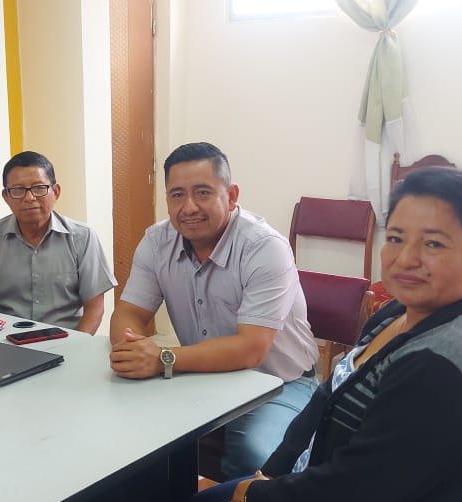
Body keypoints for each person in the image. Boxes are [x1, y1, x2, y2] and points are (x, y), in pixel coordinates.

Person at [188, 168, 462, 502]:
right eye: (396, 238)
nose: (406, 258)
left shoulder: (444, 364)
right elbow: (325, 399)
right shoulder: (404, 311)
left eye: (433, 244)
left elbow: (356, 495)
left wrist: (260, 501)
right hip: (319, 482)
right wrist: (270, 474)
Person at [109, 142, 319, 479]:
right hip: (199, 376)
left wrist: (163, 358)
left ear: (231, 196)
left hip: (276, 383)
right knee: (130, 434)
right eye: (177, 195)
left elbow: (251, 348)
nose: (189, 207)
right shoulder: (157, 242)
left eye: (203, 193)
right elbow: (128, 312)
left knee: (256, 456)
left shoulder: (265, 248)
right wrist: (130, 350)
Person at [0, 151, 116, 334]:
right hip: (7, 343)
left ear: (55, 192)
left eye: (39, 188)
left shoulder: (83, 237)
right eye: (18, 190)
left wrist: (77, 345)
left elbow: (94, 309)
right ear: (6, 196)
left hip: (67, 340)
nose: (29, 198)